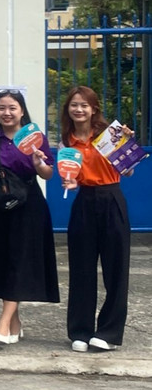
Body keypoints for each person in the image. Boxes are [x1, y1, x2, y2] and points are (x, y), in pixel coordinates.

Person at [0, 90, 59, 344]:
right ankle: (15, 321)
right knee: (5, 262)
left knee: (20, 262)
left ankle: (3, 323)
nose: (7, 113)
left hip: (29, 206)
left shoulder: (35, 139)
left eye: (12, 108)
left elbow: (48, 174)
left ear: (22, 111)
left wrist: (38, 162)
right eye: (2, 108)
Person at [60, 86, 133, 352]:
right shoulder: (67, 141)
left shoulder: (110, 135)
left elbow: (129, 172)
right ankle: (80, 331)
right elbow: (72, 177)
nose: (79, 109)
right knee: (82, 268)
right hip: (84, 201)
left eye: (84, 105)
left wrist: (128, 145)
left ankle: (109, 333)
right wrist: (71, 183)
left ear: (94, 109)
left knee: (116, 268)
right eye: (74, 105)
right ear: (68, 109)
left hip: (111, 198)